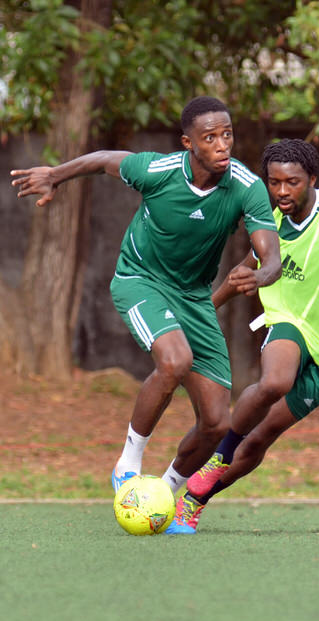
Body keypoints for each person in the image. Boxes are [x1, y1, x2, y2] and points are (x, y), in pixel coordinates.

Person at [10, 96, 281, 497]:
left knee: (217, 423)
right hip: (140, 280)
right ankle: (128, 462)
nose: (222, 144)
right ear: (189, 143)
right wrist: (55, 174)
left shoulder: (246, 187)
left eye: (227, 134)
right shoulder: (159, 170)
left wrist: (262, 275)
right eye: (210, 137)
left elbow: (270, 253)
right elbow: (103, 159)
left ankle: (165, 492)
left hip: (193, 296)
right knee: (174, 361)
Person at [165, 137, 319, 534]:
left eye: (291, 182)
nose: (281, 192)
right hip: (287, 321)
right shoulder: (269, 221)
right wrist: (200, 314)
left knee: (258, 441)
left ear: (312, 178)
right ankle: (219, 457)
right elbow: (244, 270)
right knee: (275, 380)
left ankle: (193, 500)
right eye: (273, 183)